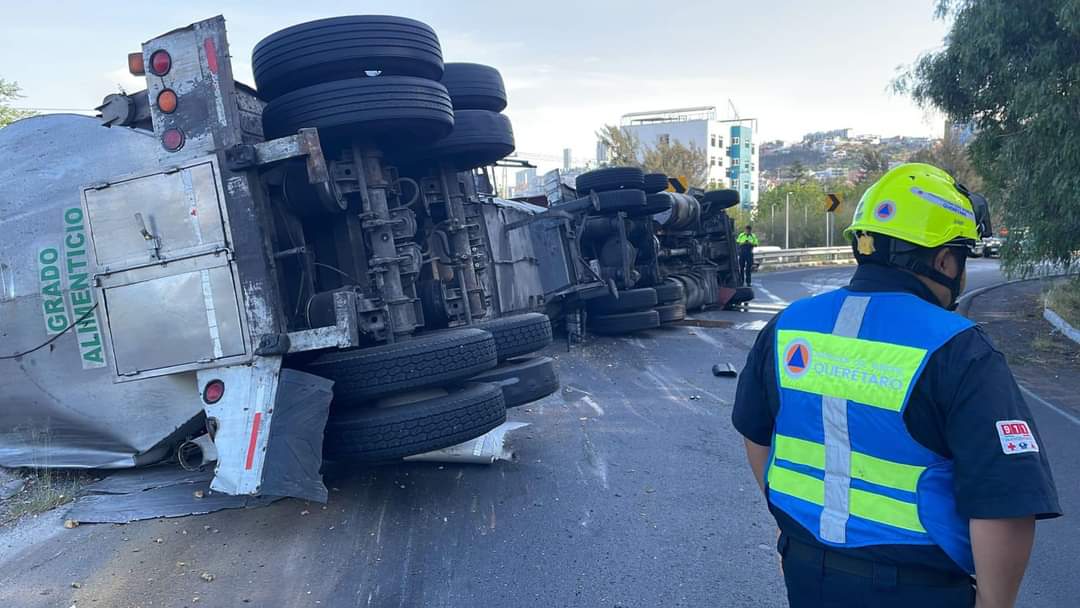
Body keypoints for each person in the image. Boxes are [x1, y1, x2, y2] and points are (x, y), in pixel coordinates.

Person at [731, 163, 1061, 608]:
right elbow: (1004, 498)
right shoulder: (959, 348)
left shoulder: (789, 326)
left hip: (807, 571)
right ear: (944, 260)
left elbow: (757, 433)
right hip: (918, 588)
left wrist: (793, 523)